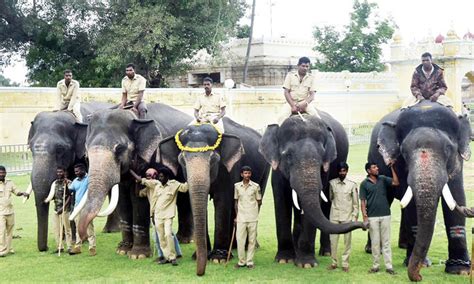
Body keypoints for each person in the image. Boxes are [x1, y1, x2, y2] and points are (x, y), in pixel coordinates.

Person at [129, 168, 182, 262]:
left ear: (155, 176)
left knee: (165, 235)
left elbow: (142, 180)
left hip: (165, 213)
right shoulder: (150, 188)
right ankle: (171, 254)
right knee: (165, 235)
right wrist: (137, 183)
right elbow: (139, 194)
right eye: (147, 175)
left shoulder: (156, 183)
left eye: (150, 175)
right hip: (156, 214)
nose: (148, 177)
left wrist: (132, 171)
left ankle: (167, 255)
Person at [360, 162, 399, 275]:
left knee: (386, 242)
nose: (377, 168)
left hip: (386, 215)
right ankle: (375, 266)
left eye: (377, 166)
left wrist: (392, 167)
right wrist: (365, 217)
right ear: (368, 171)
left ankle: (389, 266)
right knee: (375, 243)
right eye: (374, 167)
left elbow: (396, 182)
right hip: (372, 218)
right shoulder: (364, 184)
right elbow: (363, 202)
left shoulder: (382, 179)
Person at [153, 167, 188, 266]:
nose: (160, 178)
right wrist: (152, 214)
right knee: (161, 238)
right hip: (157, 215)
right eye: (159, 176)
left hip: (168, 215)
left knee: (168, 234)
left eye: (162, 176)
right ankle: (166, 257)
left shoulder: (174, 184)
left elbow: (185, 188)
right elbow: (154, 201)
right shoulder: (157, 186)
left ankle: (173, 257)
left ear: (167, 177)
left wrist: (190, 178)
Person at [327, 162, 358, 272]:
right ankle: (334, 262)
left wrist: (354, 219)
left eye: (344, 171)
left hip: (347, 218)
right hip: (334, 217)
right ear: (338, 171)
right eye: (340, 171)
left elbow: (355, 204)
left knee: (347, 242)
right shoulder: (332, 183)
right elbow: (331, 198)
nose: (342, 173)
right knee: (333, 241)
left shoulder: (352, 185)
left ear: (347, 171)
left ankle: (345, 264)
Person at [234, 166, 262, 269]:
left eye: (249, 173)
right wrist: (236, 216)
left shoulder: (256, 186)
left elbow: (259, 201)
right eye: (245, 173)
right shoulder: (237, 186)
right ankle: (241, 261)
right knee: (240, 241)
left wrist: (255, 212)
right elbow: (236, 202)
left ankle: (249, 262)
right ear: (242, 174)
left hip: (252, 218)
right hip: (241, 218)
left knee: (252, 241)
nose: (247, 175)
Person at [279, 56, 320, 124]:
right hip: (291, 103)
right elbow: (286, 92)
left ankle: (328, 132)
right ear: (298, 66)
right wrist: (293, 105)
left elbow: (312, 95)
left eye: (307, 66)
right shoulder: (290, 76)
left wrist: (303, 104)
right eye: (303, 66)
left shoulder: (311, 78)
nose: (305, 68)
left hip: (305, 103)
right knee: (281, 117)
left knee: (316, 116)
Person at [0, 165, 29, 257]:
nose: (2, 174)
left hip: (10, 211)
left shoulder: (10, 183)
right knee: (2, 231)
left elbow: (17, 192)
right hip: (1, 212)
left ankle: (9, 247)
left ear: (6, 173)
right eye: (0, 173)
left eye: (3, 172)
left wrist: (23, 193)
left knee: (10, 231)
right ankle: (2, 249)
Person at [68, 163, 96, 256]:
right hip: (77, 207)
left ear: (83, 170)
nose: (76, 173)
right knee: (77, 227)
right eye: (75, 171)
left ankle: (92, 247)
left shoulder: (89, 179)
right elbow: (71, 190)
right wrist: (66, 186)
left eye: (78, 171)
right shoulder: (75, 181)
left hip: (87, 207)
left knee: (89, 227)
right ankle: (78, 247)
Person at [44, 166, 73, 254]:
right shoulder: (55, 183)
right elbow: (52, 195)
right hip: (56, 210)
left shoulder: (68, 183)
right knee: (56, 229)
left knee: (67, 229)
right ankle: (59, 247)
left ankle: (69, 246)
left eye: (61, 172)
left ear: (65, 173)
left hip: (65, 210)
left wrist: (63, 208)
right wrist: (46, 200)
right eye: (58, 172)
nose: (59, 174)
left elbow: (70, 196)